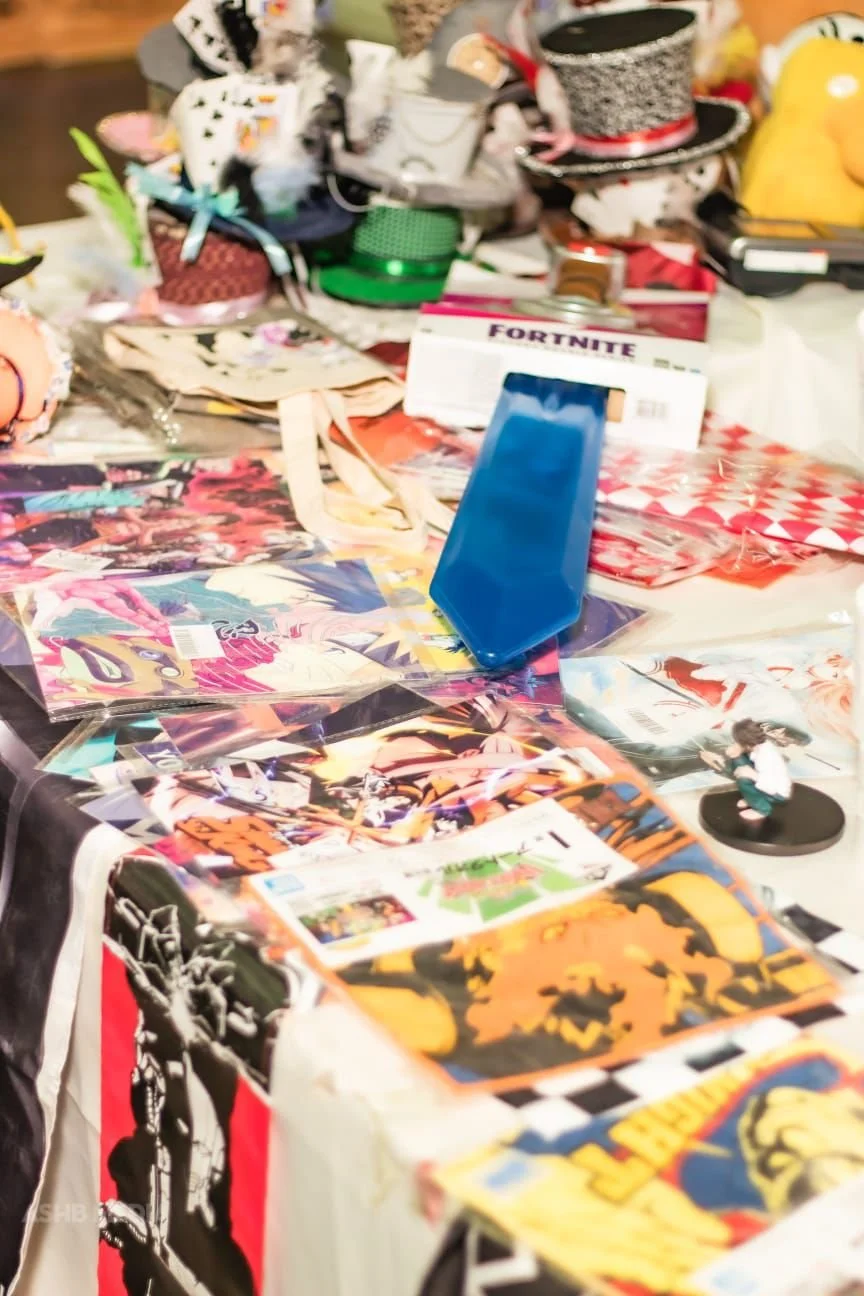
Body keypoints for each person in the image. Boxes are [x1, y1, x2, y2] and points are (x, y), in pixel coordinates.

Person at [702, 717, 793, 821]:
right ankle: (753, 798)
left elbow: (771, 787)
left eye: (738, 741)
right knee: (737, 759)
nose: (736, 743)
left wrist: (752, 774)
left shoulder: (766, 758)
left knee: (743, 780)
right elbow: (743, 754)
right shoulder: (758, 744)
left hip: (777, 794)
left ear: (746, 744)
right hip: (765, 781)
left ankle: (762, 809)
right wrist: (734, 753)